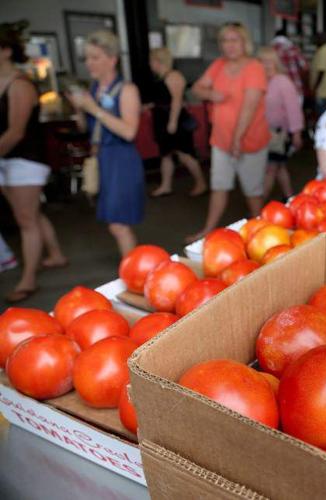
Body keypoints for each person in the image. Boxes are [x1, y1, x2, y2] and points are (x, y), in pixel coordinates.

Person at [0, 21, 67, 302]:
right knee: (31, 213)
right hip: (6, 158)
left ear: (5, 50)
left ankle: (28, 279)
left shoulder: (20, 84)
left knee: (25, 218)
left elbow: (16, 132)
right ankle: (56, 254)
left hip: (26, 159)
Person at [188, 22, 270, 242]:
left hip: (249, 140)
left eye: (235, 40)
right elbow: (197, 88)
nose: (229, 45)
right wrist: (211, 94)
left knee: (252, 191)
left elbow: (249, 107)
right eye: (225, 40)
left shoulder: (254, 68)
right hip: (221, 140)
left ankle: (260, 233)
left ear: (245, 43)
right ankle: (208, 230)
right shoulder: (218, 65)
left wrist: (237, 140)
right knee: (219, 186)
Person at [68, 30, 144, 258]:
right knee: (117, 223)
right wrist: (78, 110)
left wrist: (93, 109)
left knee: (118, 224)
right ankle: (135, 272)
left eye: (95, 57)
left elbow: (129, 132)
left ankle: (134, 278)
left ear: (112, 59)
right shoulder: (93, 89)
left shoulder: (127, 90)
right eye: (87, 58)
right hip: (103, 158)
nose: (89, 63)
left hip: (121, 159)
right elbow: (87, 129)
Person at [147, 47, 207, 197]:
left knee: (184, 154)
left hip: (175, 120)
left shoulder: (174, 76)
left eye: (151, 60)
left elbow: (177, 101)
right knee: (165, 154)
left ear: (158, 60)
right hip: (162, 119)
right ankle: (166, 186)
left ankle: (201, 183)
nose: (150, 64)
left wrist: (172, 122)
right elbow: (162, 99)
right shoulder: (160, 77)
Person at [258, 46, 304, 200]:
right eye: (262, 61)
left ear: (275, 63)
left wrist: (296, 134)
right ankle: (290, 196)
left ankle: (257, 205)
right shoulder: (259, 81)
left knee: (271, 168)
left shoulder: (283, 81)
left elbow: (294, 109)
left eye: (269, 62)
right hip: (262, 133)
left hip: (279, 134)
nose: (266, 65)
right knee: (279, 167)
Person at [272, 29, 308, 100]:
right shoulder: (293, 49)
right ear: (286, 37)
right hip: (295, 88)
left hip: (276, 90)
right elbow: (304, 67)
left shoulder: (270, 50)